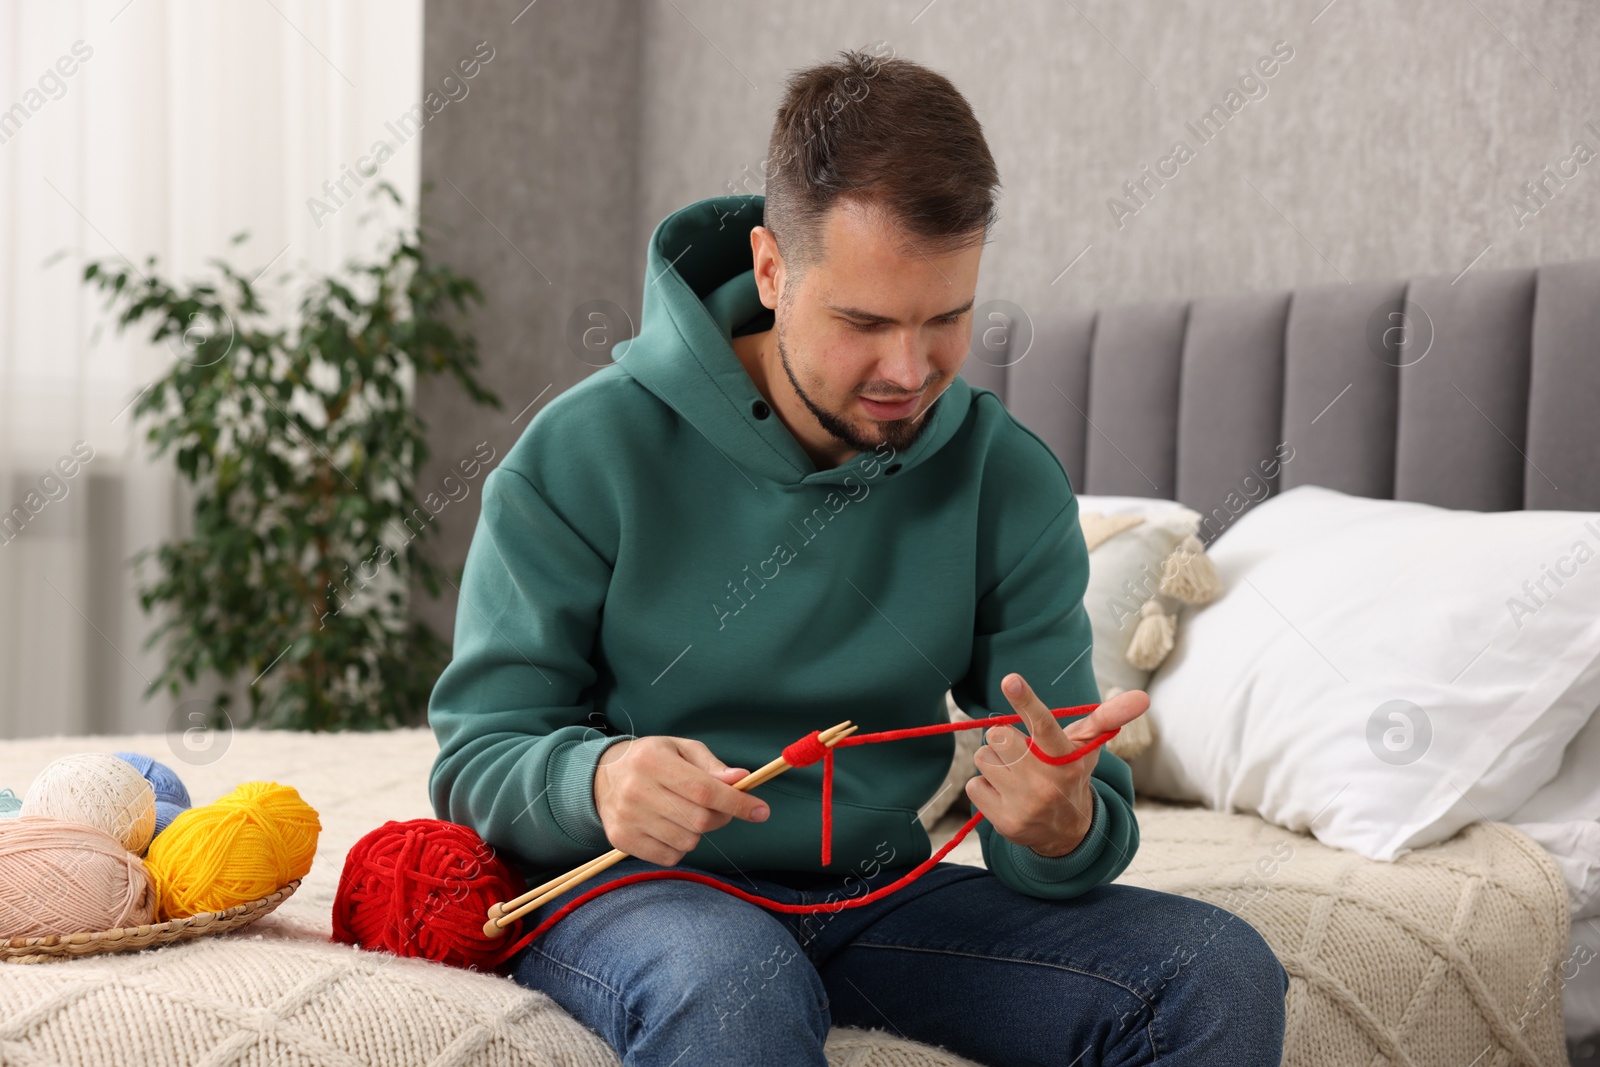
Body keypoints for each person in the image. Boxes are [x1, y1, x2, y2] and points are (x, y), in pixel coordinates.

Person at [427, 45, 1288, 1066]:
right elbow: (477, 754)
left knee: (1214, 968)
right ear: (769, 269)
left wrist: (1056, 820)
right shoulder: (580, 453)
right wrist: (598, 776)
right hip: (632, 891)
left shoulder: (1002, 479)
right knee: (740, 985)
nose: (908, 370)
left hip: (878, 892)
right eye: (863, 322)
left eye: (947, 318)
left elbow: (1071, 810)